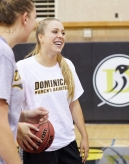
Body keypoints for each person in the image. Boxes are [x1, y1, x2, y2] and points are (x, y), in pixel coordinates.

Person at [16, 18, 89, 164]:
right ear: (40, 37)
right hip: (36, 143)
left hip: (67, 143)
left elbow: (74, 103)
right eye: (55, 32)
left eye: (63, 32)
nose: (60, 36)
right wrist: (18, 127)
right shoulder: (22, 67)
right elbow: (9, 107)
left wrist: (84, 136)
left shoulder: (67, 65)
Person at [0, 0, 49, 164]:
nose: (36, 24)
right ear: (25, 18)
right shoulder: (3, 53)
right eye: (36, 17)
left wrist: (22, 115)